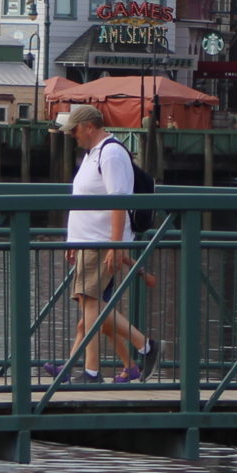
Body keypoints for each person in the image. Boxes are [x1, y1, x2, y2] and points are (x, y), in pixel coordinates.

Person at [47, 103, 158, 384]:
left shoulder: (110, 154)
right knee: (92, 307)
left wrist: (115, 246)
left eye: (74, 130)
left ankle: (95, 369)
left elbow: (119, 201)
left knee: (92, 306)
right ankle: (130, 355)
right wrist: (73, 239)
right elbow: (84, 201)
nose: (73, 135)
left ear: (89, 126)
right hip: (88, 242)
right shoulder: (91, 155)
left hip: (100, 242)